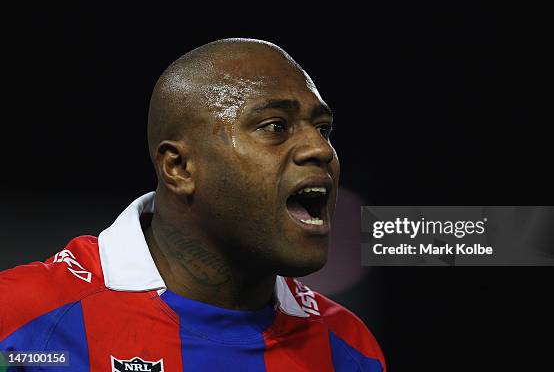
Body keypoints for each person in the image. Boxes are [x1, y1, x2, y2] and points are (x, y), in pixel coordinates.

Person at [0, 38, 385, 371]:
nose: (321, 149)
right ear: (179, 167)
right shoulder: (21, 322)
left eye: (323, 129)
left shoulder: (349, 349)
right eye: (275, 126)